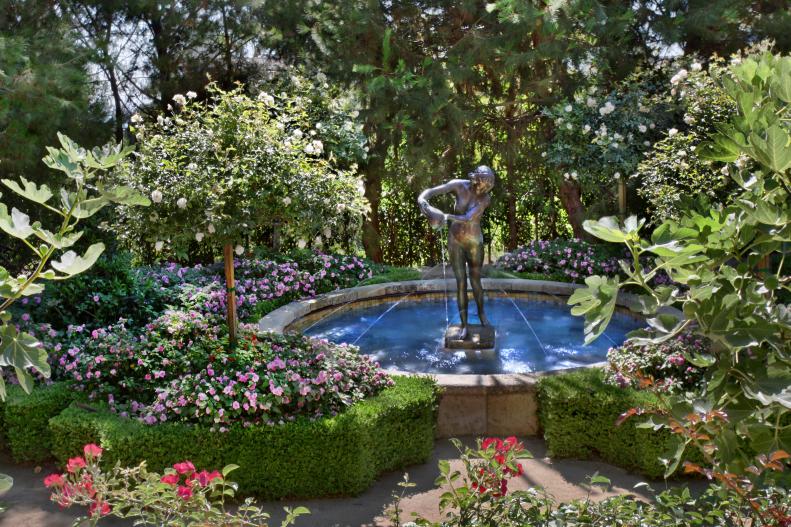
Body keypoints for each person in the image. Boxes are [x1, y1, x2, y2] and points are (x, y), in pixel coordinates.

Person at [417, 165, 495, 340]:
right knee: (460, 282)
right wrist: (422, 200)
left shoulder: (486, 198)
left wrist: (445, 217)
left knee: (475, 281)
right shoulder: (459, 185)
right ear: (475, 178)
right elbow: (431, 191)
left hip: (474, 241)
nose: (482, 188)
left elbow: (468, 218)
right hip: (455, 239)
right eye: (481, 183)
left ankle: (482, 315)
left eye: (487, 186)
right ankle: (464, 325)